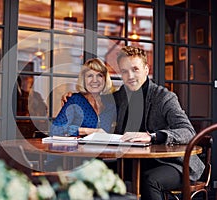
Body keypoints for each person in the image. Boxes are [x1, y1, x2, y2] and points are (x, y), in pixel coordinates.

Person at [62, 46, 205, 200]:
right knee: (94, 171)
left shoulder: (164, 97)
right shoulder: (121, 96)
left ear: (146, 69)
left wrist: (152, 137)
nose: (130, 76)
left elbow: (188, 131)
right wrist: (76, 97)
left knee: (150, 180)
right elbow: (96, 101)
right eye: (124, 71)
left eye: (135, 69)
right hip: (136, 161)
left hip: (173, 163)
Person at [50, 58, 116, 137]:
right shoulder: (75, 100)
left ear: (105, 79)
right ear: (83, 80)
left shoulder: (110, 104)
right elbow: (55, 129)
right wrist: (86, 131)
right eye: (90, 76)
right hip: (78, 149)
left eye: (99, 75)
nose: (95, 80)